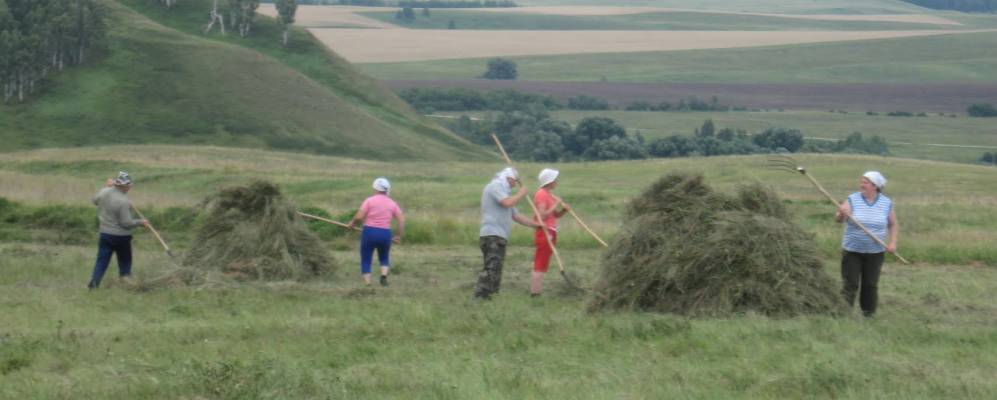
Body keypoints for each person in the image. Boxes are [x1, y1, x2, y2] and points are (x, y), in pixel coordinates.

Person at [835, 171, 900, 317]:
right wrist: (841, 213)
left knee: (870, 285)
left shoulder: (886, 203)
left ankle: (868, 315)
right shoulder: (852, 199)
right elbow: (839, 220)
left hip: (875, 252)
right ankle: (843, 314)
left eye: (865, 182)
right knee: (850, 283)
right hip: (852, 251)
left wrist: (893, 243)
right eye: (861, 181)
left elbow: (893, 225)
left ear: (875, 186)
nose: (861, 185)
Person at [474, 167, 541, 299]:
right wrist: (522, 193)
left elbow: (516, 216)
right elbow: (507, 203)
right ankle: (480, 297)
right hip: (491, 235)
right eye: (514, 181)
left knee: (497, 269)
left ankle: (491, 297)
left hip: (500, 236)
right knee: (491, 268)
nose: (515, 184)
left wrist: (537, 225)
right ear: (508, 178)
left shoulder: (504, 192)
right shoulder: (495, 186)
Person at [88, 172, 149, 289]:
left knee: (101, 261)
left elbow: (94, 200)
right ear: (125, 186)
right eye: (129, 186)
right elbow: (126, 223)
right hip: (121, 237)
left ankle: (94, 284)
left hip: (105, 234)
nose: (130, 188)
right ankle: (127, 283)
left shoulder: (105, 191)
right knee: (125, 261)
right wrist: (141, 222)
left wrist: (106, 187)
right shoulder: (123, 201)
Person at [347, 177, 405, 286]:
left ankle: (368, 283)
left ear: (375, 188)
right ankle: (383, 275)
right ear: (387, 190)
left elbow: (359, 217)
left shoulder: (369, 200)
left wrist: (352, 224)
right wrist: (398, 236)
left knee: (366, 257)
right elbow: (401, 220)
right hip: (385, 233)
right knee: (384, 256)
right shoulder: (392, 203)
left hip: (369, 232)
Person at [531, 168, 570, 297]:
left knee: (544, 261)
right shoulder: (541, 194)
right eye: (555, 179)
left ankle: (537, 291)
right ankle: (535, 293)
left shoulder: (549, 195)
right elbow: (542, 216)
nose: (556, 181)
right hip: (544, 231)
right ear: (550, 181)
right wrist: (556, 203)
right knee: (540, 261)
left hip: (551, 231)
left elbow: (555, 216)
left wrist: (564, 210)